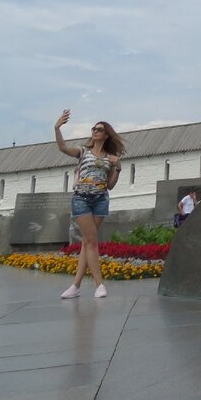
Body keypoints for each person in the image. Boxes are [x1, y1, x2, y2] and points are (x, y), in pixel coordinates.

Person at [54, 110, 124, 299]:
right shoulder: (83, 151)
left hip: (100, 200)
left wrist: (118, 167)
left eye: (99, 129)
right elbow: (62, 147)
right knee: (91, 241)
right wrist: (57, 128)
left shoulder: (111, 157)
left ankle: (75, 286)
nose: (95, 131)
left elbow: (110, 185)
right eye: (94, 128)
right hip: (82, 199)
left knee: (87, 242)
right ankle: (99, 285)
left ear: (106, 134)